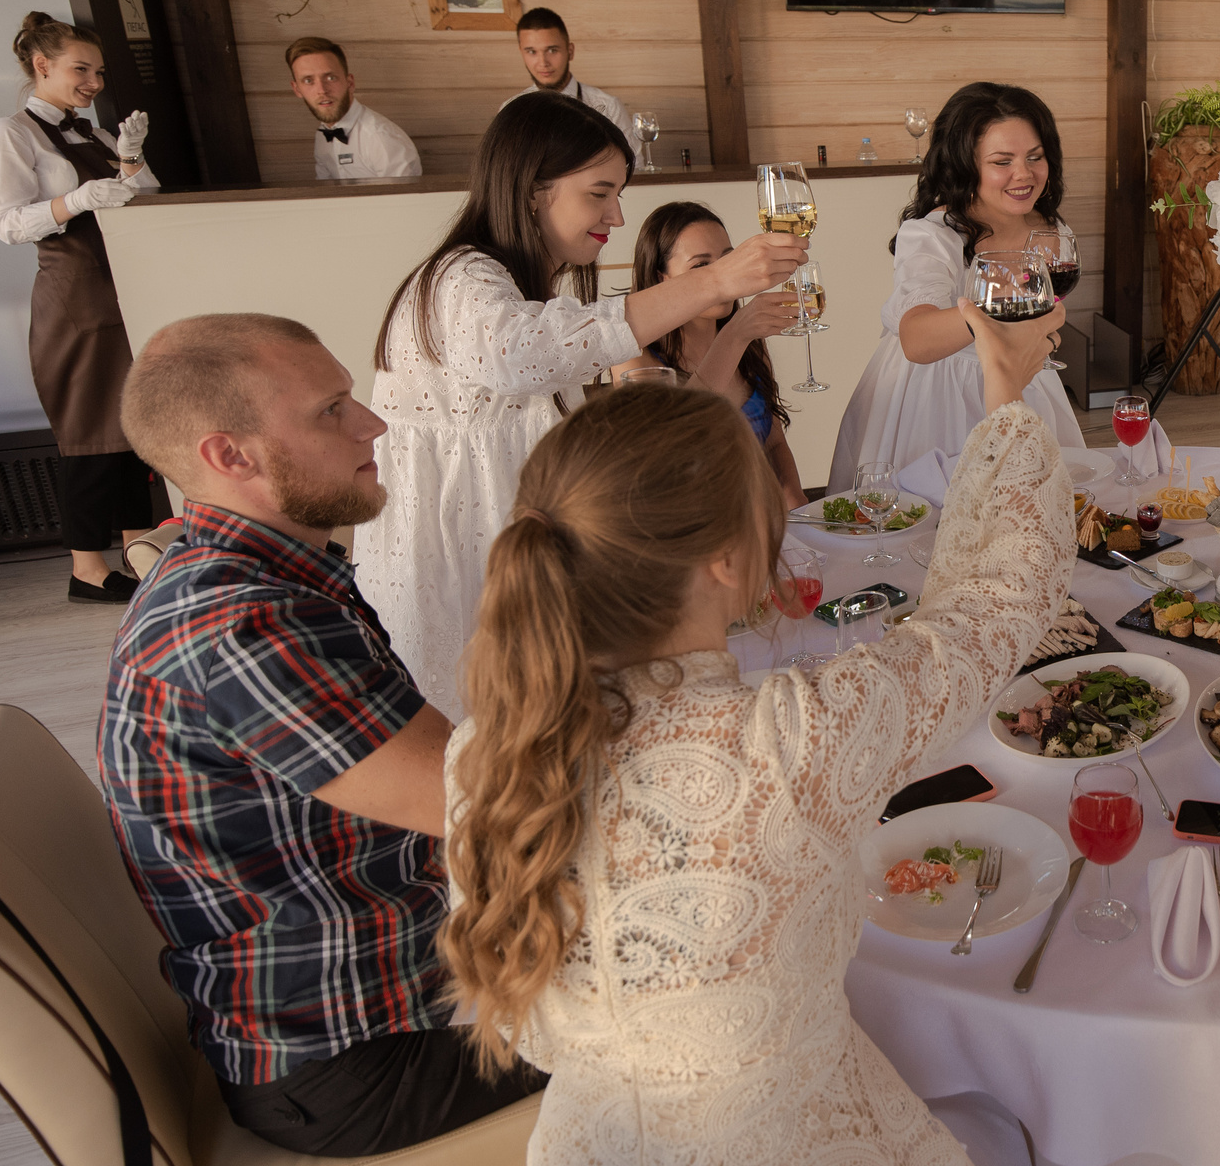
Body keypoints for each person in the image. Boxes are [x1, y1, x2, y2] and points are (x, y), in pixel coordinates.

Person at [440, 317, 1081, 1166]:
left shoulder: (485, 748)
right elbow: (996, 604)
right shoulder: (790, 738)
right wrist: (1007, 404)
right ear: (732, 561)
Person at [101, 313, 545, 1156]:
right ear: (229, 457)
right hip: (354, 1062)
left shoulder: (263, 575)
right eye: (331, 409)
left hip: (390, 981)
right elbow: (496, 803)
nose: (373, 423)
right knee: (706, 1000)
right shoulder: (244, 628)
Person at [358, 93, 804, 719]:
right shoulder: (461, 277)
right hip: (455, 564)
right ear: (532, 189)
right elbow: (522, 354)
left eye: (618, 194)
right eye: (599, 193)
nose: (616, 216)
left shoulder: (516, 284)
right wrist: (717, 280)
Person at [0, 11, 160, 604]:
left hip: (121, 286)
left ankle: (139, 552)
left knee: (130, 426)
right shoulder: (9, 134)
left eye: (99, 71)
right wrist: (75, 198)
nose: (94, 82)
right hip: (73, 294)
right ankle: (86, 568)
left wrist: (129, 156)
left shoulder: (94, 135)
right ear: (42, 66)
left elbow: (149, 198)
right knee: (88, 431)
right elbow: (7, 224)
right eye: (82, 69)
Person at [828, 81, 1088, 493]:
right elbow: (916, 339)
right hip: (932, 397)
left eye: (1035, 157)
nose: (1024, 174)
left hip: (1022, 382)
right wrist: (1002, 305)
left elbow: (1045, 320)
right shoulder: (933, 234)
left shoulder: (1051, 230)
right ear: (966, 165)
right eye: (1002, 161)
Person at [611, 200, 807, 499]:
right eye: (701, 266)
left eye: (728, 261)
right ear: (661, 277)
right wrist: (735, 336)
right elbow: (671, 445)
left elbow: (774, 441)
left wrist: (795, 500)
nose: (724, 276)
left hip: (759, 519)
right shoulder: (633, 356)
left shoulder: (750, 342)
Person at [288, 35, 422, 181]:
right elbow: (325, 192)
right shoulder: (322, 135)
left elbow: (403, 201)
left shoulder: (379, 137)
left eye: (330, 78)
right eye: (308, 81)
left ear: (350, 83)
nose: (322, 90)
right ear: (297, 90)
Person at [505, 6, 632, 146]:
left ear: (570, 51)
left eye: (552, 50)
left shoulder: (609, 107)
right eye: (531, 52)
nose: (543, 62)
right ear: (521, 53)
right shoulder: (510, 109)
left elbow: (634, 166)